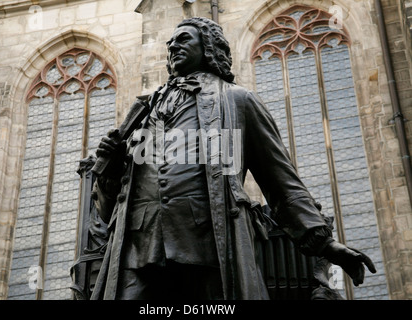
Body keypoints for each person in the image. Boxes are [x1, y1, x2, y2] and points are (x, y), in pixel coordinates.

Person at [90, 17, 376, 300]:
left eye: (183, 40)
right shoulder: (142, 113)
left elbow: (280, 179)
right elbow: (110, 207)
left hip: (209, 243)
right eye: (170, 43)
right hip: (139, 246)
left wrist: (324, 243)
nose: (173, 46)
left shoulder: (238, 100)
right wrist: (110, 167)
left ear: (209, 48)